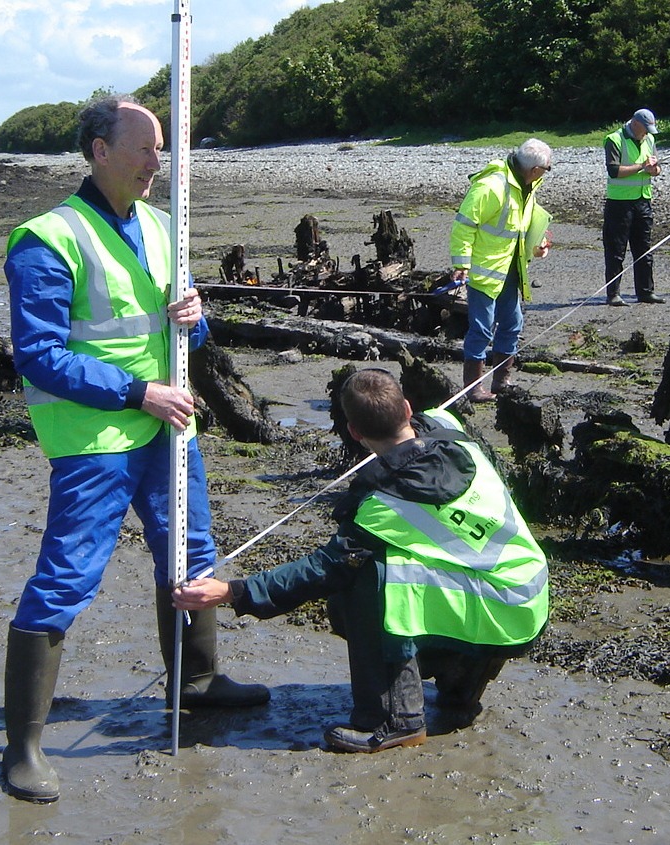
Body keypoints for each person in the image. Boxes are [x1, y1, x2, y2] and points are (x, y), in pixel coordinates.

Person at [1, 95, 269, 804]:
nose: (160, 162)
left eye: (162, 148)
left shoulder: (161, 225)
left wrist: (198, 319)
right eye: (147, 147)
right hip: (93, 437)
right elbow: (38, 355)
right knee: (66, 577)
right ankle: (23, 745)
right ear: (99, 149)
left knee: (191, 548)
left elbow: (182, 334)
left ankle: (200, 681)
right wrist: (135, 391)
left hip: (168, 425)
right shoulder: (47, 238)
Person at [174, 368, 550, 753]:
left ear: (353, 432)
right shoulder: (448, 424)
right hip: (528, 594)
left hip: (504, 607)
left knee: (368, 578)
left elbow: (322, 570)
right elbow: (422, 425)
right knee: (411, 567)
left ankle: (394, 719)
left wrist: (232, 591)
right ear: (407, 408)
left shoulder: (383, 507)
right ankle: (459, 688)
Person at [449, 138, 553, 402]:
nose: (546, 174)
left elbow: (521, 225)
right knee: (482, 329)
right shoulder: (491, 186)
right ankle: (473, 389)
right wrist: (461, 263)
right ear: (534, 169)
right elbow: (464, 225)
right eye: (547, 169)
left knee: (512, 324)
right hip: (484, 271)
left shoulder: (528, 185)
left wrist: (536, 245)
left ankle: (501, 381)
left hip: (510, 268)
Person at [603, 109, 664, 307]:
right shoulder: (614, 139)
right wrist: (641, 167)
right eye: (644, 129)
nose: (646, 133)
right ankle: (613, 294)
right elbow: (614, 171)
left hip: (643, 200)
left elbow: (655, 169)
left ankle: (646, 292)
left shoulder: (649, 140)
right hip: (619, 203)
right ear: (635, 123)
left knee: (644, 249)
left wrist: (654, 169)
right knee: (616, 251)